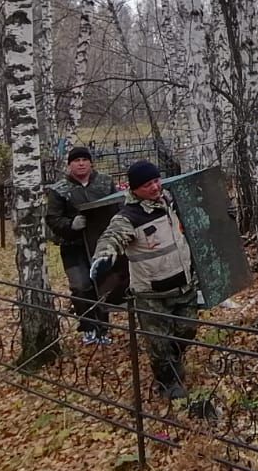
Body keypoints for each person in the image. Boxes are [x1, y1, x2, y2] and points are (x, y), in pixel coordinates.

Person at [91, 161, 199, 399]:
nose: (155, 187)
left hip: (183, 285)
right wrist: (104, 255)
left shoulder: (169, 201)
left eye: (156, 181)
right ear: (135, 189)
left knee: (187, 330)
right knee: (158, 342)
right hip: (151, 294)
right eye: (147, 184)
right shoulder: (129, 217)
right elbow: (112, 236)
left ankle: (174, 360)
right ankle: (167, 383)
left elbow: (198, 212)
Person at [44, 146, 117, 345]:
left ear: (91, 162)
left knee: (102, 285)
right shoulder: (60, 190)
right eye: (76, 160)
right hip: (73, 246)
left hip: (101, 243)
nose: (81, 163)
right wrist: (71, 225)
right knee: (81, 286)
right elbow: (52, 219)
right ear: (69, 165)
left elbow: (117, 208)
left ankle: (103, 328)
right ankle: (88, 327)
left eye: (85, 159)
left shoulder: (104, 183)